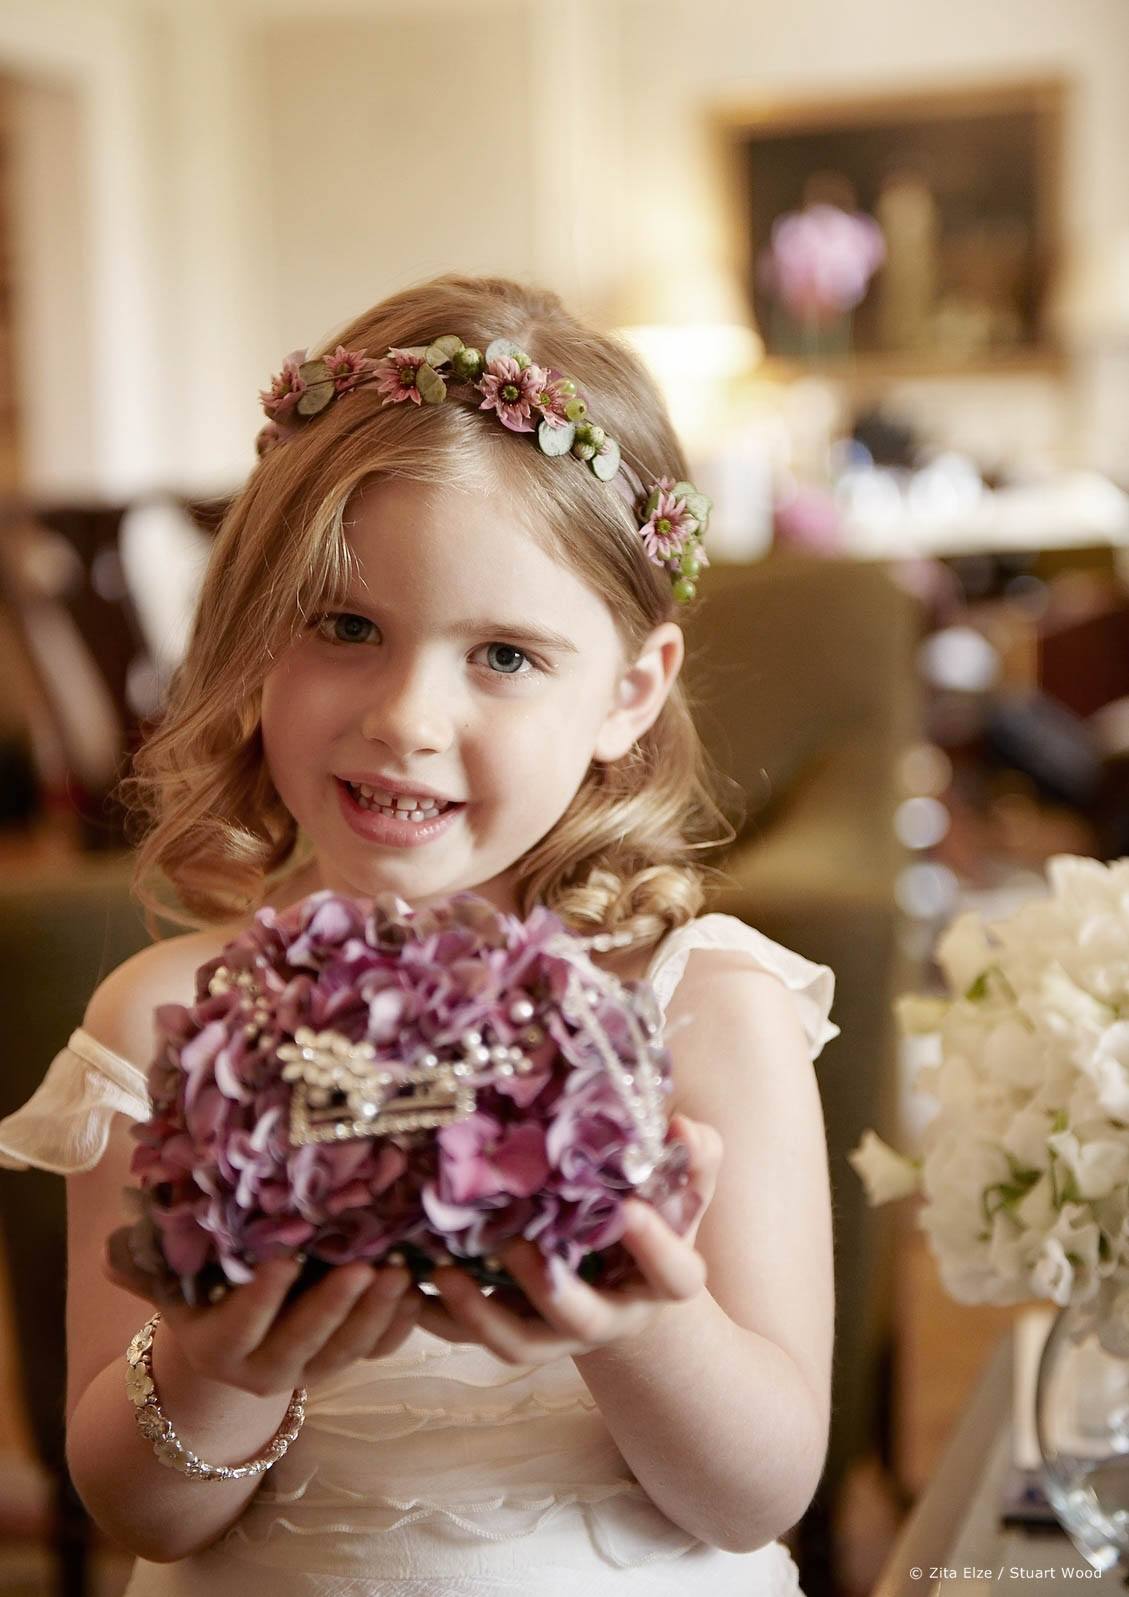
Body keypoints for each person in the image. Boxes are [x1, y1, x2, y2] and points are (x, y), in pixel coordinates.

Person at [0, 274, 838, 1596]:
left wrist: (641, 1325)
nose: (405, 715)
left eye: (502, 654)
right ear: (250, 638)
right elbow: (138, 1509)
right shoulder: (165, 1020)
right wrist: (222, 1361)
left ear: (629, 690)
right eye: (342, 626)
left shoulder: (699, 1007)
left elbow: (761, 1491)